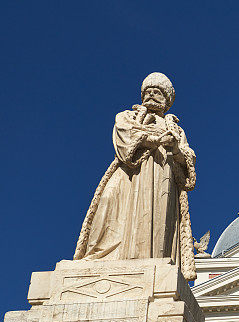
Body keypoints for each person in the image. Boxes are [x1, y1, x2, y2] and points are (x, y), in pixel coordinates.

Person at [74, 72, 197, 280]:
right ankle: (98, 254)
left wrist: (175, 148)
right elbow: (124, 137)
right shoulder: (127, 116)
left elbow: (188, 160)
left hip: (161, 176)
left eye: (157, 92)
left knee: (155, 219)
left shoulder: (176, 129)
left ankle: (147, 262)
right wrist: (154, 139)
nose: (151, 95)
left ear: (166, 99)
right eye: (147, 92)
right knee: (107, 202)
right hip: (128, 172)